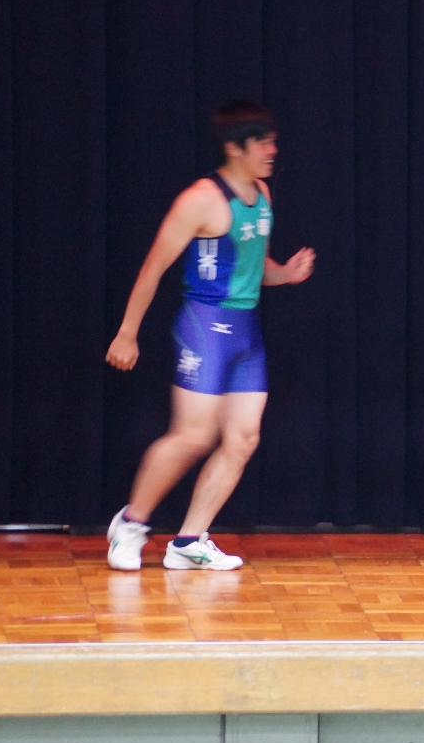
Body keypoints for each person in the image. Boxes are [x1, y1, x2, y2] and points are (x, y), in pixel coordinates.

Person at [104, 101, 315, 571]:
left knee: (242, 438)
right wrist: (127, 332)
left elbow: (254, 267)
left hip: (245, 331)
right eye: (262, 143)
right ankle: (131, 523)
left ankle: (188, 541)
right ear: (234, 148)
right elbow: (154, 266)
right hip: (205, 326)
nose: (272, 150)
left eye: (272, 141)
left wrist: (287, 275)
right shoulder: (201, 199)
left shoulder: (261, 194)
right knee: (193, 436)